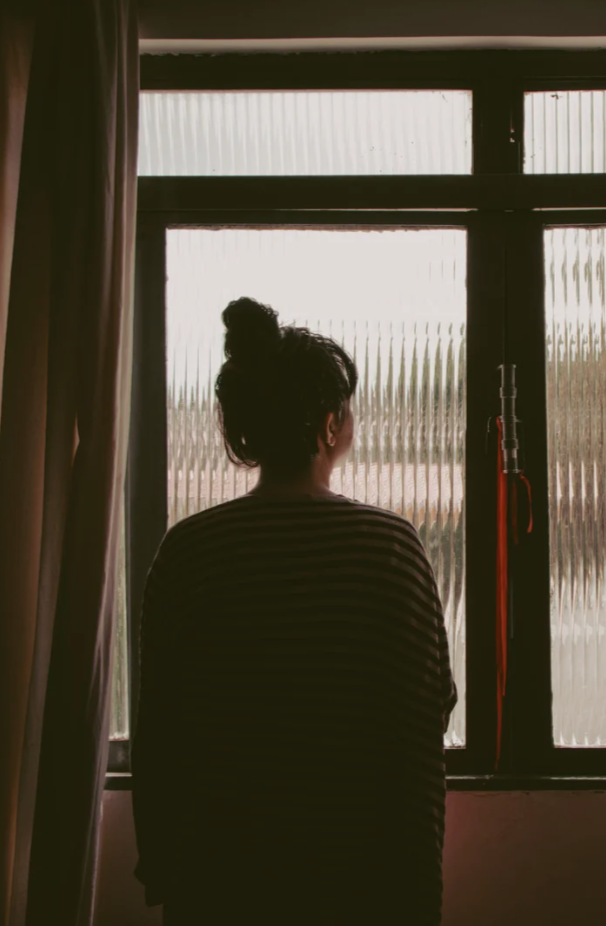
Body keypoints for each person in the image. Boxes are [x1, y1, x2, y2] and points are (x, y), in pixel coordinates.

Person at [132, 297, 457, 925]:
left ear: (247, 427)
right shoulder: (389, 545)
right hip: (365, 876)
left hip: (219, 878)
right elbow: (425, 711)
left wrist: (161, 865)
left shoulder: (190, 550)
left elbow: (161, 728)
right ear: (330, 426)